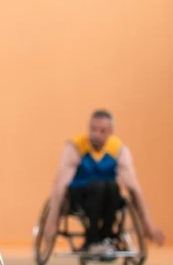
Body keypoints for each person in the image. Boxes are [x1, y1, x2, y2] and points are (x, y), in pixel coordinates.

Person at [44, 109, 165, 256]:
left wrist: (148, 225)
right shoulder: (76, 147)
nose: (96, 134)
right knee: (98, 186)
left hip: (109, 198)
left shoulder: (118, 150)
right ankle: (92, 240)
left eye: (102, 131)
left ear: (110, 132)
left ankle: (105, 237)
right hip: (80, 197)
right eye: (93, 129)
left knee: (112, 186)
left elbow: (133, 188)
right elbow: (60, 184)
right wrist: (52, 220)